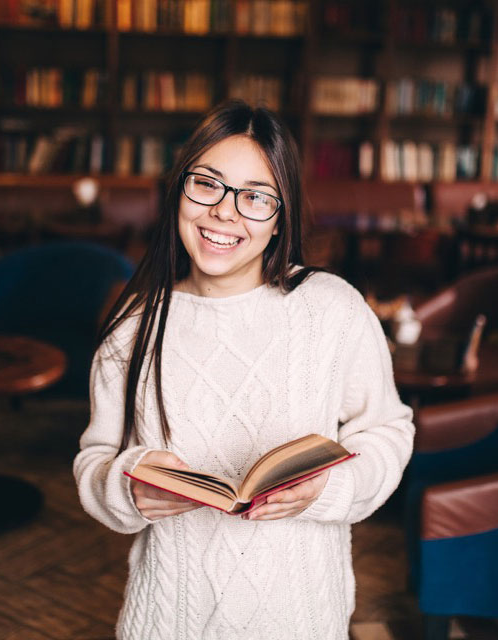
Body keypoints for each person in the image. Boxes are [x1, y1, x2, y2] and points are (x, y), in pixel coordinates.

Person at [73, 100, 414, 640]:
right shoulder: (131, 328)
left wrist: (331, 488)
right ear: (178, 191)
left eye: (255, 197)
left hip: (302, 617)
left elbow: (389, 431)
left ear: (280, 219)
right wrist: (126, 487)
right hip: (170, 618)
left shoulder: (332, 309)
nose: (225, 213)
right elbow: (94, 458)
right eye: (207, 184)